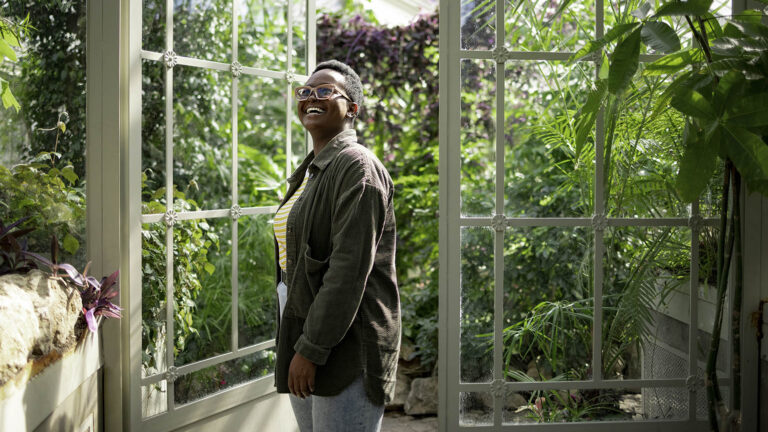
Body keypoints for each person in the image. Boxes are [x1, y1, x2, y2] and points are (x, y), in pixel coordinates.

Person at [272, 60, 400, 432]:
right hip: (307, 332)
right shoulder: (314, 169)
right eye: (306, 91)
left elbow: (347, 272)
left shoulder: (358, 169)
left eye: (326, 90)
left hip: (347, 343)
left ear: (352, 110)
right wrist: (299, 342)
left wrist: (311, 349)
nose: (312, 97)